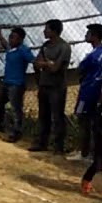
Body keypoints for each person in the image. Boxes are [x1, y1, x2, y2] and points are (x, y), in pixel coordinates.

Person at [29, 19, 72, 154]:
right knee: (43, 115)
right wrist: (47, 64)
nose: (44, 31)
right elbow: (36, 63)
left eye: (47, 29)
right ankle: (42, 142)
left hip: (57, 87)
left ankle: (58, 146)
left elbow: (55, 68)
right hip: (44, 84)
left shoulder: (64, 47)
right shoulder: (46, 45)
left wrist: (45, 64)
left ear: (54, 31)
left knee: (57, 116)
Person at [68, 24, 102, 162]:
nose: (86, 35)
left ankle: (84, 153)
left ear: (95, 36)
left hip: (88, 92)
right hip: (99, 92)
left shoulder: (93, 55)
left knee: (83, 121)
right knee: (95, 123)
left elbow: (80, 69)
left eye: (89, 33)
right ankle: (93, 153)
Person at [0, 27, 34, 143]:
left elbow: (33, 61)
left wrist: (45, 64)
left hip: (17, 84)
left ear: (20, 39)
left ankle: (16, 132)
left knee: (15, 109)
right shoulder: (11, 49)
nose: (10, 39)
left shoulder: (23, 51)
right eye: (10, 37)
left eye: (13, 37)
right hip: (6, 82)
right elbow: (5, 44)